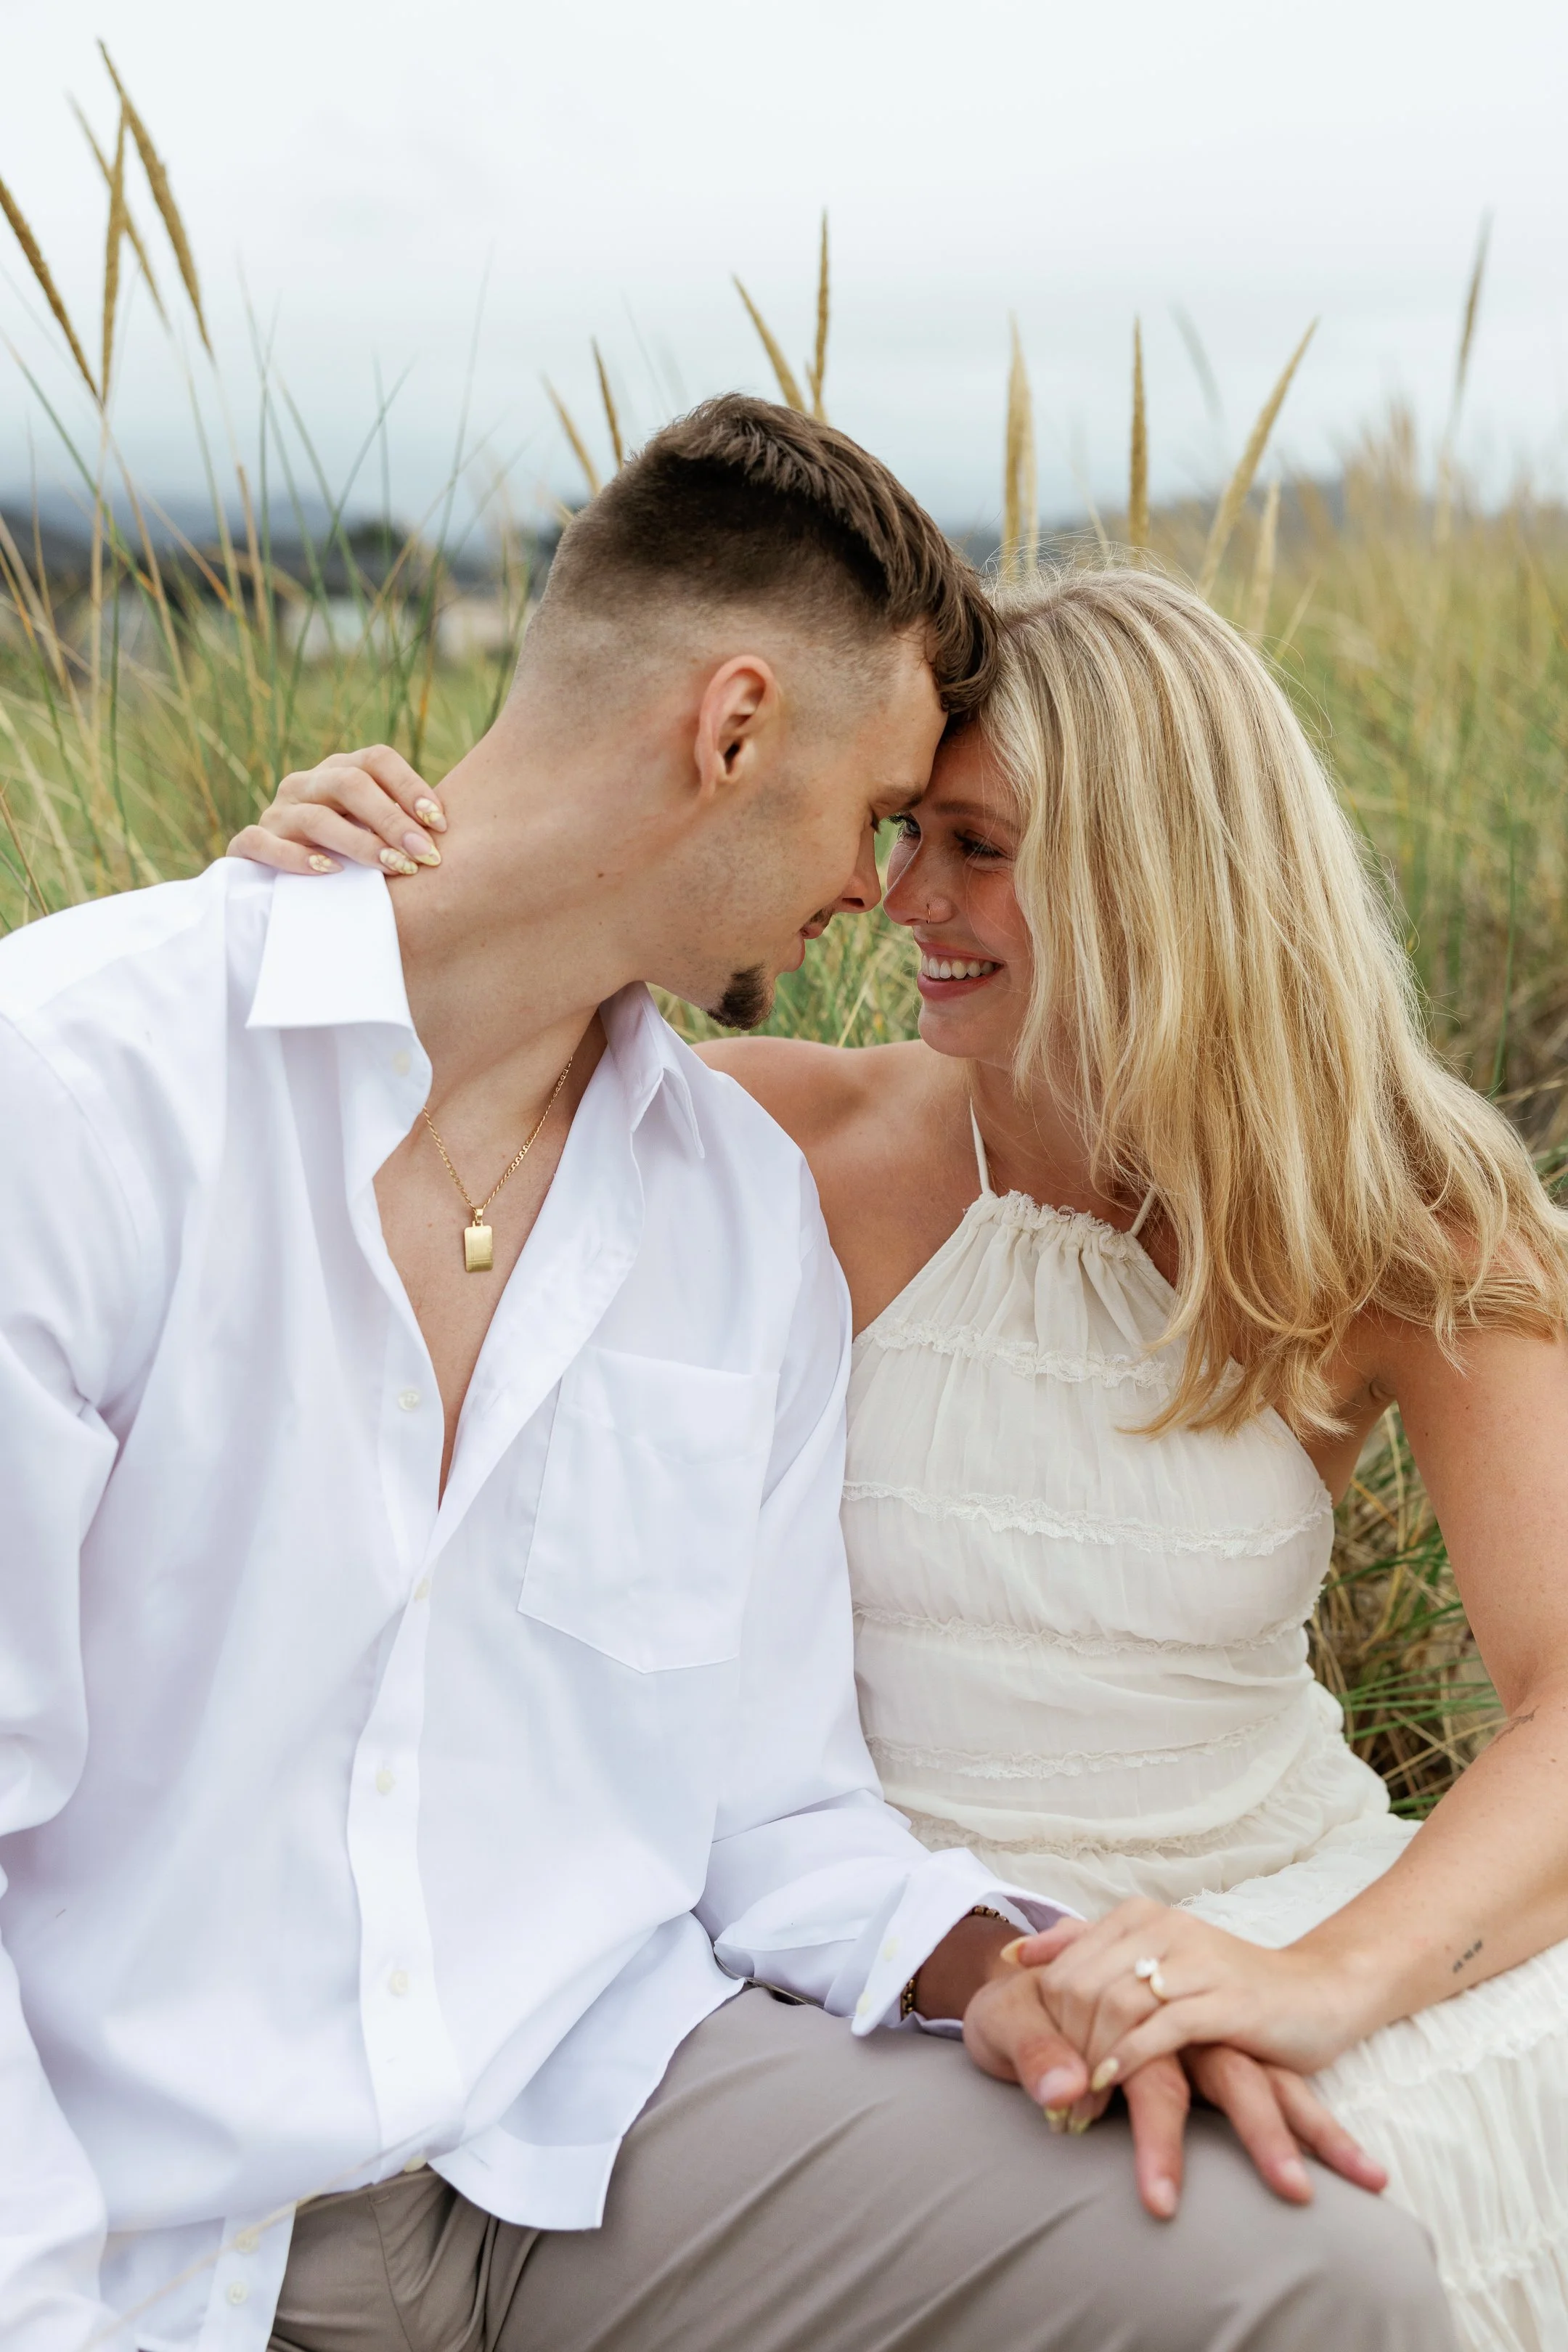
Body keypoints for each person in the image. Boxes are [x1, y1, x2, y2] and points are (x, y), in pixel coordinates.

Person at [0, 402, 1452, 2352]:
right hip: (137, 2194)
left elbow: (773, 1807)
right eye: (876, 819)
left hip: (592, 2135)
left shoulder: (736, 1206)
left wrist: (986, 1965)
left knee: (1298, 2270)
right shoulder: (83, 1097)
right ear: (733, 728)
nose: (879, 895)